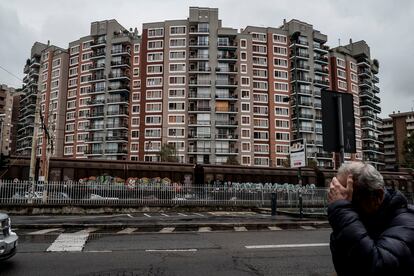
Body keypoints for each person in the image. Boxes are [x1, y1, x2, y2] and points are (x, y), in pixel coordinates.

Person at [328, 162, 414, 276]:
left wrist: (341, 210)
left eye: (351, 201)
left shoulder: (407, 222)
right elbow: (344, 266)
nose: (348, 207)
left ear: (377, 196)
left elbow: (377, 267)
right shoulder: (365, 220)